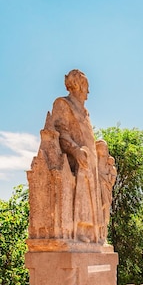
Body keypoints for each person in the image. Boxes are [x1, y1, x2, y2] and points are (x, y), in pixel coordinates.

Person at [51, 69, 101, 243]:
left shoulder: (86, 112)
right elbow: (60, 131)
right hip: (76, 162)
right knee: (82, 196)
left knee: (92, 201)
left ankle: (92, 233)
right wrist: (75, 149)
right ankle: (79, 230)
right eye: (86, 86)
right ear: (78, 86)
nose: (88, 91)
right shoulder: (63, 104)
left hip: (90, 163)